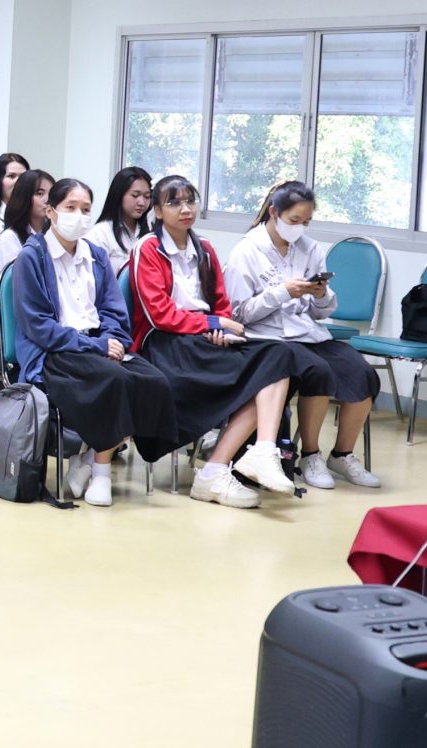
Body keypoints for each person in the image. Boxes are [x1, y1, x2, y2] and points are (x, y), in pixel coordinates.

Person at [128, 176, 301, 508]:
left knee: (278, 356)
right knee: (260, 375)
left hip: (205, 338)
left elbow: (221, 302)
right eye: (174, 203)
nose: (185, 209)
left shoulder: (204, 248)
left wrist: (222, 329)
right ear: (157, 211)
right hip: (165, 344)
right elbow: (158, 314)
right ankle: (216, 472)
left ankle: (257, 453)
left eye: (190, 201)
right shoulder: (147, 248)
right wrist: (211, 323)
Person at [9, 178, 182, 507]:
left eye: (85, 209)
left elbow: (115, 311)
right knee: (114, 380)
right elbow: (38, 326)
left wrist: (109, 341)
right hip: (54, 351)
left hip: (96, 345)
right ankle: (101, 472)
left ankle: (88, 458)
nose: (79, 215)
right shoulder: (32, 257)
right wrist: (95, 347)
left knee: (153, 381)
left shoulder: (96, 256)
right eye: (70, 208)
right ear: (51, 212)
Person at [225, 180, 383, 491]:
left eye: (306, 222)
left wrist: (321, 295)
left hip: (308, 333)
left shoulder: (311, 249)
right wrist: (282, 292)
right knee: (318, 371)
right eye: (294, 220)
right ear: (274, 212)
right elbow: (238, 315)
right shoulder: (247, 250)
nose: (299, 228)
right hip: (266, 337)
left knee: (361, 373)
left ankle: (342, 454)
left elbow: (320, 313)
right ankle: (311, 454)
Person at [90, 165, 155, 276]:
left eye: (147, 196)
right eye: (135, 195)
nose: (142, 202)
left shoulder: (151, 232)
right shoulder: (100, 233)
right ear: (119, 195)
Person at [0, 167, 55, 271]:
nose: (47, 200)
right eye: (39, 193)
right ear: (24, 196)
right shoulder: (10, 237)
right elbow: (17, 277)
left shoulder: (54, 232)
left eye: (51, 194)